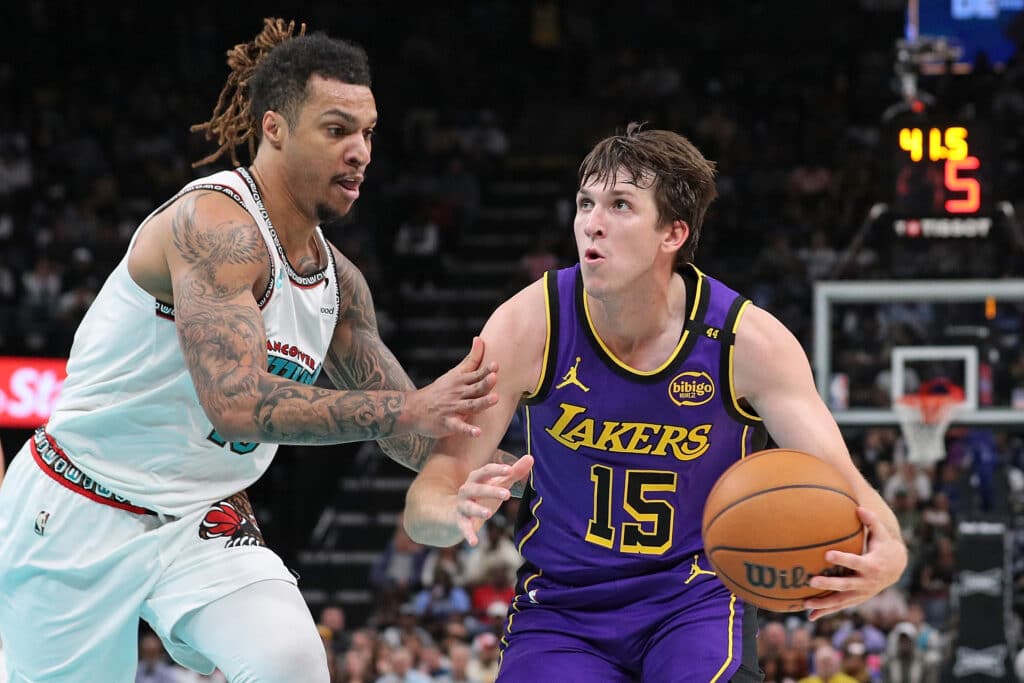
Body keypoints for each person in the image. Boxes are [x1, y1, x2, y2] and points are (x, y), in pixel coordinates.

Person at [0, 18, 504, 683]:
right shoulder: (212, 225)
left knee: (290, 660)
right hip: (77, 503)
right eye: (336, 130)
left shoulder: (340, 283)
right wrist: (399, 409)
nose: (360, 151)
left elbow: (414, 432)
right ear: (273, 128)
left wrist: (527, 469)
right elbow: (238, 402)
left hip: (201, 518)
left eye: (367, 132)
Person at [403, 124, 908, 682]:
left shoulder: (749, 342)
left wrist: (891, 548)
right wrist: (450, 516)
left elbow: (839, 478)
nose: (592, 222)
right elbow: (430, 494)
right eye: (585, 203)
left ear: (673, 233)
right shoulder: (528, 325)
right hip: (563, 607)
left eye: (620, 205)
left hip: (694, 601)